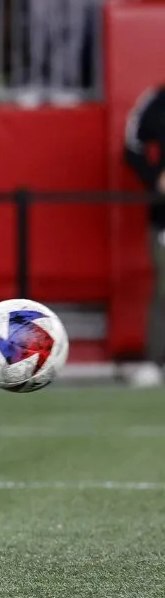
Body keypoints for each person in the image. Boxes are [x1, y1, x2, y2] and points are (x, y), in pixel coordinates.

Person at [124, 84, 165, 387]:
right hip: (164, 217)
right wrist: (155, 179)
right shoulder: (157, 100)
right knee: (163, 289)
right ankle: (156, 360)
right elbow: (132, 144)